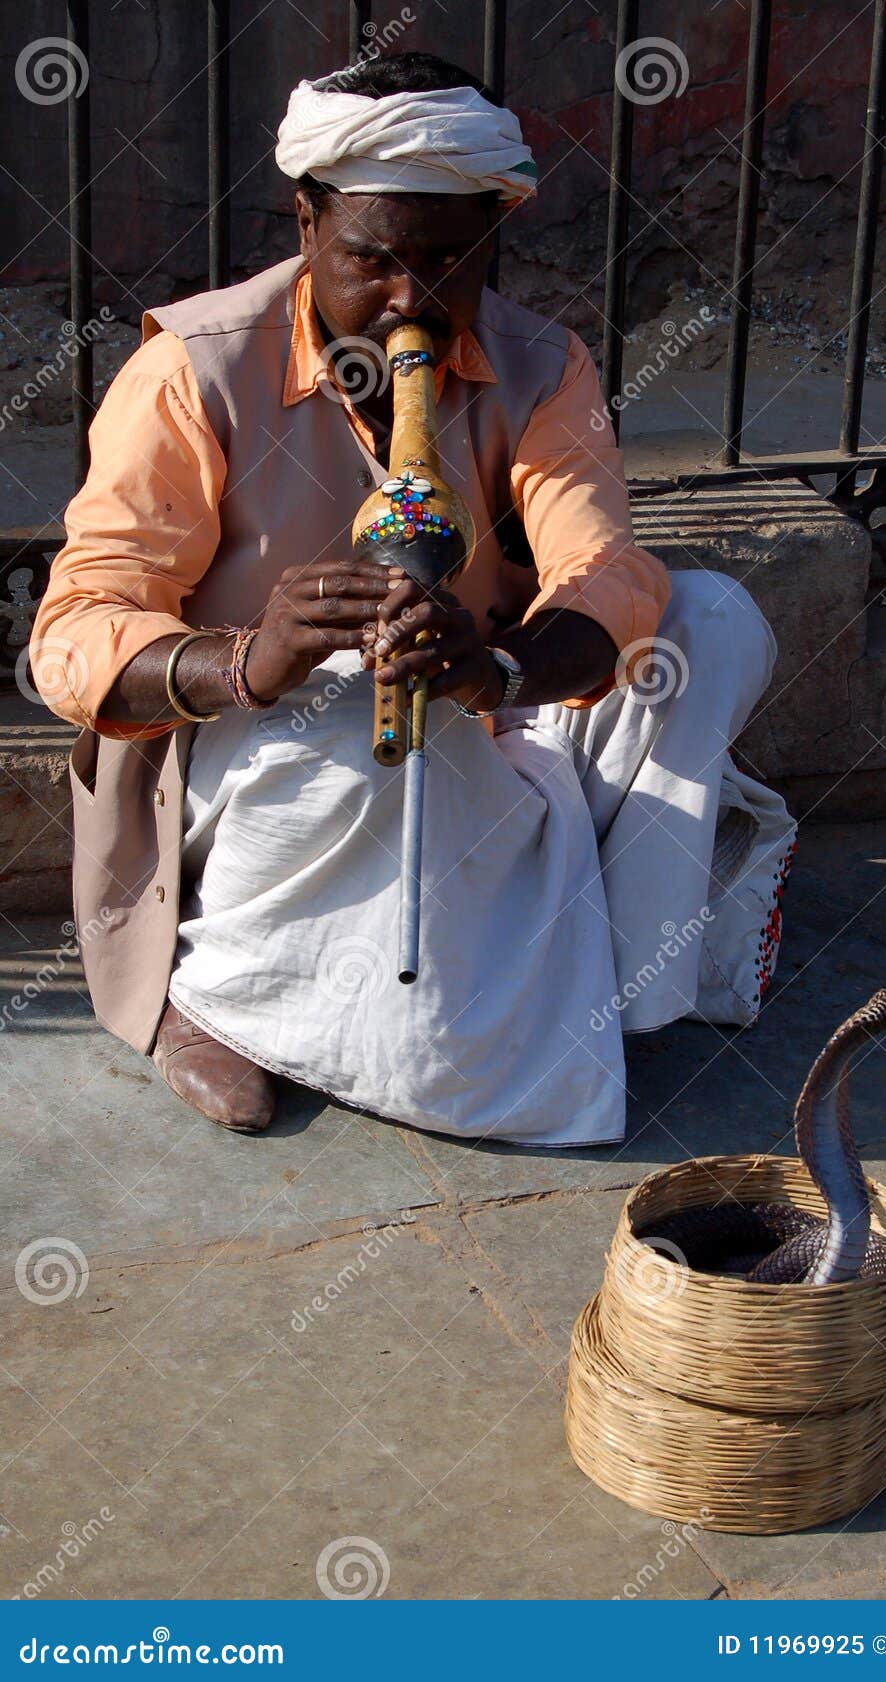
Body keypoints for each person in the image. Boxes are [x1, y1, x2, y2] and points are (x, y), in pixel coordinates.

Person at [32, 52, 795, 1146]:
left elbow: (606, 566)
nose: (410, 303)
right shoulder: (192, 371)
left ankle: (617, 986)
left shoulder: (543, 364)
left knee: (707, 620)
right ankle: (218, 998)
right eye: (372, 261)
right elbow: (74, 634)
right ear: (305, 224)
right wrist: (255, 655)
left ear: (493, 237)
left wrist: (505, 669)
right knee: (353, 724)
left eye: (447, 263)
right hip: (256, 745)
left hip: (476, 702)